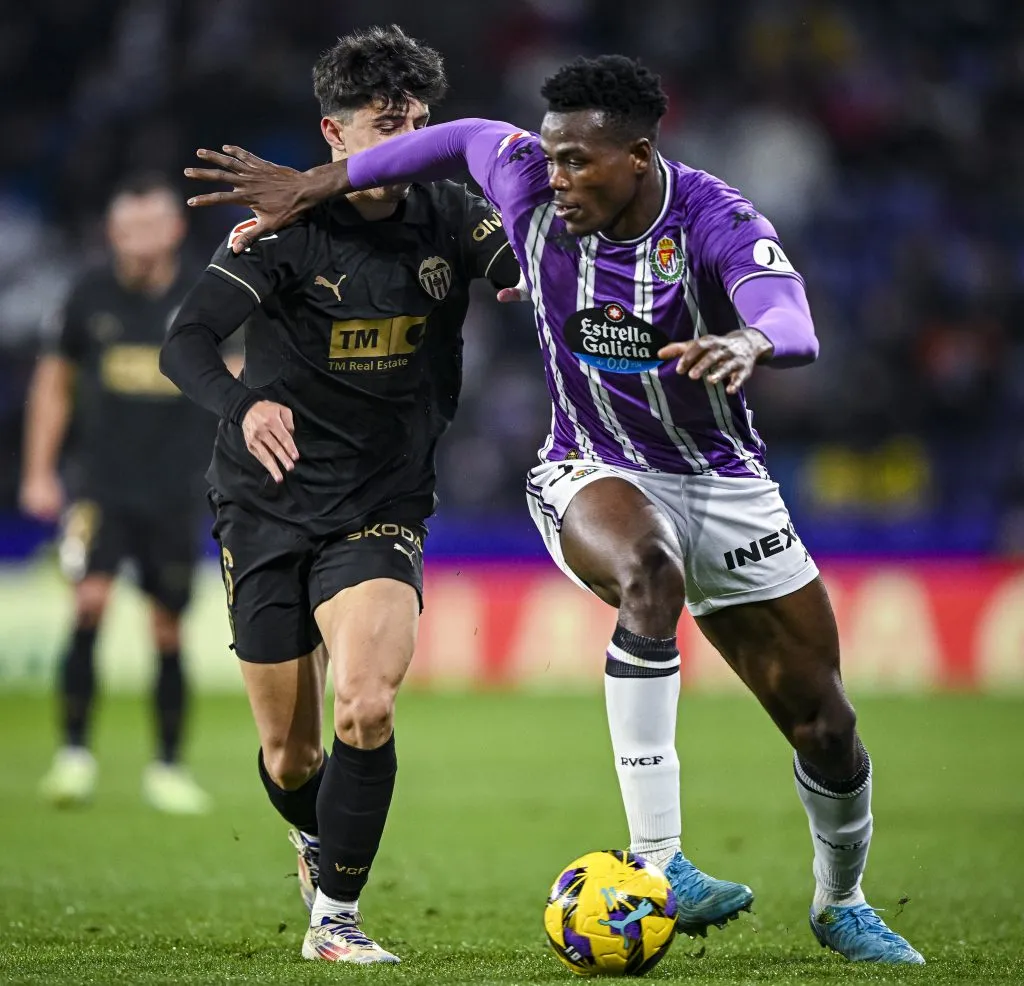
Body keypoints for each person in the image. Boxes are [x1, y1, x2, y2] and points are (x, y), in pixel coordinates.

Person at [184, 55, 926, 965]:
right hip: (589, 466)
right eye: (551, 157)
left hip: (726, 485)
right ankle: (662, 861)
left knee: (826, 724)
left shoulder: (715, 218)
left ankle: (840, 899)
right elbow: (456, 140)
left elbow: (793, 320)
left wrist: (746, 340)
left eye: (580, 163)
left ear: (640, 158)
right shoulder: (519, 175)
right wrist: (313, 184)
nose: (556, 179)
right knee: (645, 571)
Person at [161, 25, 521, 965]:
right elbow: (185, 341)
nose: (403, 138)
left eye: (416, 122)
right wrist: (242, 406)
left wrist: (544, 272)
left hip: (383, 502)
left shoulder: (451, 214)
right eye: (382, 122)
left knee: (366, 702)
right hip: (267, 501)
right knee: (292, 757)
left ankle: (337, 922)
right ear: (334, 131)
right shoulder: (286, 230)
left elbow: (519, 273)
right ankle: (313, 832)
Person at [21, 174, 216, 815]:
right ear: (111, 233)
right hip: (98, 488)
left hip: (175, 488)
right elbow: (53, 385)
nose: (135, 242)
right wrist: (39, 472)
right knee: (89, 604)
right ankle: (74, 755)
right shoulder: (87, 296)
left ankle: (167, 766)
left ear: (174, 230)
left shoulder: (203, 294)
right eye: (125, 230)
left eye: (148, 228)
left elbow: (237, 377)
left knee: (166, 627)